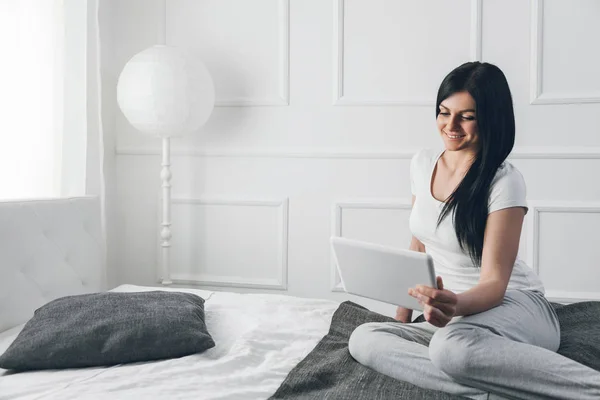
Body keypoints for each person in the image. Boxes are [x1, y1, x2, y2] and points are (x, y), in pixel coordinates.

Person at [347, 62, 600, 400]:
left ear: (490, 119)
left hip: (515, 307)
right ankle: (493, 390)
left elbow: (495, 284)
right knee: (364, 338)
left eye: (466, 116)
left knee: (452, 349)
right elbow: (418, 246)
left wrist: (455, 304)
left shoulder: (504, 181)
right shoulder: (422, 164)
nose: (450, 126)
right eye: (443, 112)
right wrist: (402, 320)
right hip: (454, 317)